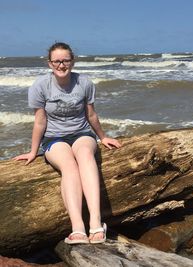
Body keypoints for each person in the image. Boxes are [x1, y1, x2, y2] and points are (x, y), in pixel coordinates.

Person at [14, 42, 121, 244]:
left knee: (86, 157)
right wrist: (32, 151)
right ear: (49, 64)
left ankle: (96, 223)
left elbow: (91, 114)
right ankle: (78, 227)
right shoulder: (40, 86)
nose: (61, 65)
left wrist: (102, 136)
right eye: (57, 61)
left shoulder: (84, 83)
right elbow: (40, 121)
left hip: (82, 134)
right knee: (69, 167)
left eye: (65, 60)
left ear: (72, 61)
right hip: (54, 138)